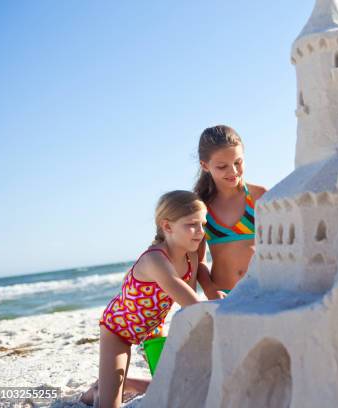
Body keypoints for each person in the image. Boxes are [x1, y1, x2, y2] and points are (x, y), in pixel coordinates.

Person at [80, 190, 207, 407]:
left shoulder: (191, 257)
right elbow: (192, 303)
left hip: (152, 331)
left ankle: (123, 383)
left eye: (203, 224)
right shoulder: (155, 260)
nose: (200, 232)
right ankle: (96, 392)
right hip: (117, 331)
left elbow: (190, 309)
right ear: (167, 226)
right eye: (192, 224)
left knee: (170, 390)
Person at [193, 125, 266, 298]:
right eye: (222, 166)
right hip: (224, 296)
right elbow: (198, 260)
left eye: (237, 162)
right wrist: (210, 290)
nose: (233, 171)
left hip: (262, 291)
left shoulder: (259, 196)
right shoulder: (200, 206)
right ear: (205, 165)